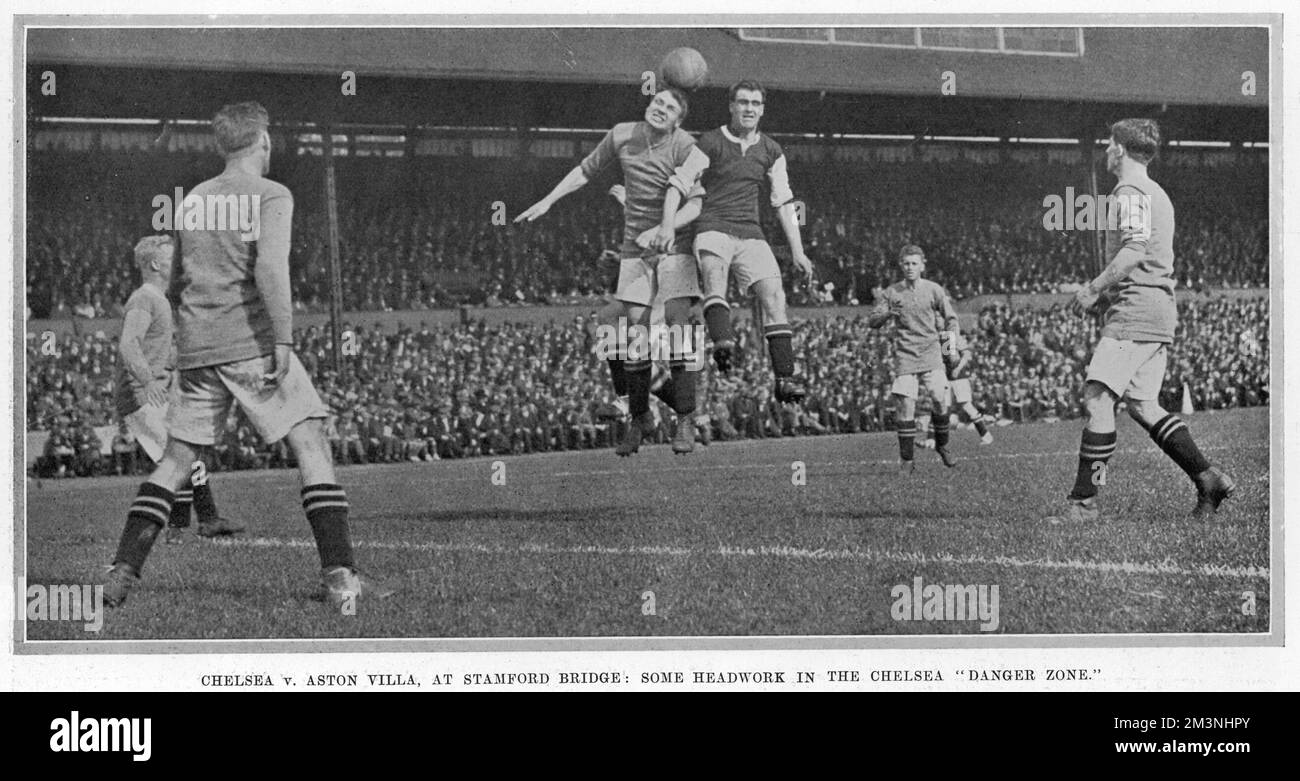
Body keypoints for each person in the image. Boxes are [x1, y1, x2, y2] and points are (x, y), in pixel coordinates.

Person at [103, 101, 392, 609]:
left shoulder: (192, 200)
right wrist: (283, 337)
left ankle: (121, 572)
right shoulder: (271, 194)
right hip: (250, 340)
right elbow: (270, 270)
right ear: (263, 141)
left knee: (176, 461)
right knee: (310, 440)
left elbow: (189, 274)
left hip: (196, 345)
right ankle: (341, 577)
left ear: (221, 145)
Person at [1045, 118, 1234, 523]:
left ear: (1122, 149)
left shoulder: (1129, 191)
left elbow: (1134, 249)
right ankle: (1208, 477)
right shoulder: (1157, 193)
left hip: (1136, 309)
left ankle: (1084, 503)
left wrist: (1094, 288)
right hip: (1157, 309)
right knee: (1144, 405)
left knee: (1098, 399)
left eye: (1110, 143)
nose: (1106, 149)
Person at [516, 87, 708, 456]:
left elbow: (696, 204)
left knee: (678, 329)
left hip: (676, 246)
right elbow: (585, 171)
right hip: (635, 248)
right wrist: (547, 201)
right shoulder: (622, 133)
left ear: (678, 120)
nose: (660, 109)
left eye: (669, 107)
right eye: (657, 102)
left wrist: (667, 229)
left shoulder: (686, 145)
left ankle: (684, 418)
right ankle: (639, 414)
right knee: (626, 331)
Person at [113, 234, 243, 545]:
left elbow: (158, 350)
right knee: (180, 457)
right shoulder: (145, 298)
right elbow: (128, 343)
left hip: (153, 391)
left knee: (185, 454)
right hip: (142, 394)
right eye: (173, 259)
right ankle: (186, 526)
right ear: (156, 264)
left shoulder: (159, 301)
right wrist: (147, 381)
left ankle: (196, 523)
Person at [693, 80, 814, 403]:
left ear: (762, 109)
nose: (749, 108)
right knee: (714, 276)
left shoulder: (772, 150)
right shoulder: (709, 142)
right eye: (743, 102)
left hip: (751, 231)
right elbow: (684, 186)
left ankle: (785, 379)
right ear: (731, 106)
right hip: (713, 225)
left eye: (755, 104)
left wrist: (798, 251)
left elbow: (784, 201)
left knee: (775, 295)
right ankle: (723, 344)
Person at [868, 245, 960, 472]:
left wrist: (950, 350)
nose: (910, 268)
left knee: (940, 399)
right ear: (901, 265)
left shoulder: (933, 289)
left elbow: (951, 319)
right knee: (905, 406)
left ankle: (943, 445)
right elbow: (873, 321)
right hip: (906, 355)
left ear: (922, 265)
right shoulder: (891, 292)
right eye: (906, 264)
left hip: (931, 354)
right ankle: (907, 461)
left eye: (914, 263)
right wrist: (888, 313)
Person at [921, 329, 995, 448]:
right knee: (940, 406)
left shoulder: (951, 335)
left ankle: (986, 435)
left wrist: (958, 368)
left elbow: (965, 355)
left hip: (959, 378)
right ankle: (931, 440)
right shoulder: (935, 336)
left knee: (966, 406)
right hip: (946, 377)